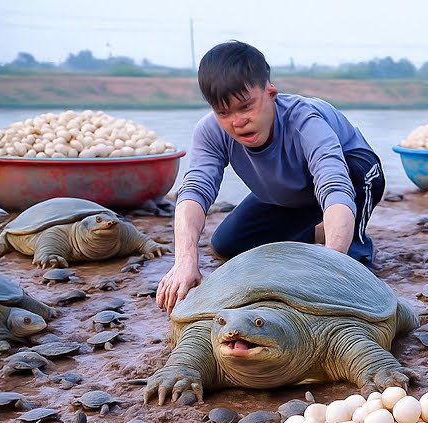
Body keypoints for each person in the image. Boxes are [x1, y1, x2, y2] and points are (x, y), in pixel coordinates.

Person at [156, 41, 385, 312]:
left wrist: (331, 263)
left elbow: (334, 186)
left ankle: (347, 239)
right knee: (227, 244)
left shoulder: (305, 121)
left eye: (246, 107)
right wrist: (184, 261)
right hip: (290, 194)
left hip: (352, 177)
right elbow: (194, 190)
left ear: (271, 93)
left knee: (346, 266)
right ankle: (317, 232)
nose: (237, 121)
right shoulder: (209, 131)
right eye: (223, 112)